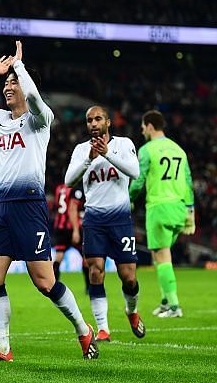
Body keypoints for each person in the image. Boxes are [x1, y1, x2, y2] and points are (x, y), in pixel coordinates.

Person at [0, 41, 98, 361]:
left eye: (12, 83)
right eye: (5, 83)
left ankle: (82, 329)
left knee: (45, 282)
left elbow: (34, 97)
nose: (7, 87)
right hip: (3, 205)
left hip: (30, 205)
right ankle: (3, 348)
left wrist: (19, 67)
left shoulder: (40, 119)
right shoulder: (1, 120)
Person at [65, 105, 146, 342]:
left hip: (120, 220)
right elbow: (69, 181)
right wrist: (89, 160)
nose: (93, 123)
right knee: (95, 272)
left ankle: (131, 311)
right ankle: (103, 328)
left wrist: (107, 153)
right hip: (94, 220)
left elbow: (135, 172)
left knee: (128, 277)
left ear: (108, 123)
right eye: (89, 120)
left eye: (98, 119)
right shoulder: (81, 150)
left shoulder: (124, 144)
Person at [129, 110, 195, 318]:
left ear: (149, 125)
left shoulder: (147, 149)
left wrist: (129, 198)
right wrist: (190, 210)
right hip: (179, 208)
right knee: (159, 257)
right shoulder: (179, 150)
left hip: (159, 207)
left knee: (163, 256)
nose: (142, 131)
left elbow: (139, 180)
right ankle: (166, 301)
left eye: (142, 127)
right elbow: (188, 181)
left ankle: (175, 306)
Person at [51, 183, 82, 280]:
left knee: (59, 256)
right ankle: (89, 288)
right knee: (87, 257)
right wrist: (76, 230)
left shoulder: (59, 188)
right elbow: (72, 209)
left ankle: (54, 285)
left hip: (59, 226)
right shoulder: (75, 189)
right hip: (71, 227)